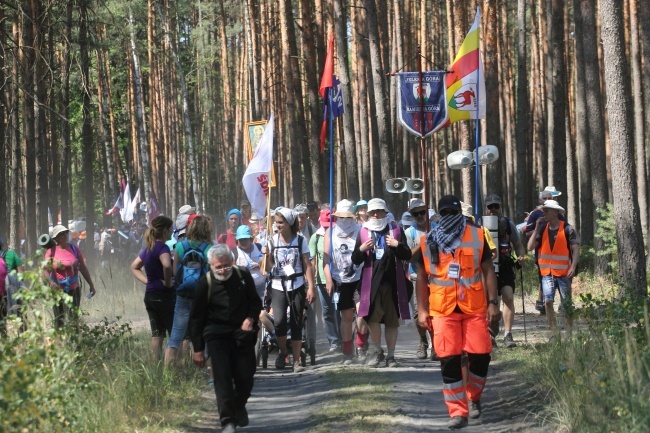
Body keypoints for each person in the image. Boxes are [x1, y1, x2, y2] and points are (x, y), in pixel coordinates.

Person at [414, 195, 498, 429]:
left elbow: (488, 271)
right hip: (443, 309)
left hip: (474, 306)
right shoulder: (429, 240)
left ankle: (473, 396)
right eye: (445, 214)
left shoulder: (477, 235)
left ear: (460, 213)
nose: (449, 217)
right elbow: (421, 278)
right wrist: (422, 310)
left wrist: (493, 302)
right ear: (440, 215)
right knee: (449, 360)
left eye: (453, 213)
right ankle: (457, 412)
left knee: (481, 355)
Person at [189, 244, 262, 433]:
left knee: (246, 377)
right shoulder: (205, 283)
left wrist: (250, 318)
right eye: (218, 267)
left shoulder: (242, 276)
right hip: (216, 335)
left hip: (242, 333)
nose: (223, 270)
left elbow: (255, 302)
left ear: (232, 262)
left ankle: (239, 406)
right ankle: (228, 421)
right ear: (210, 266)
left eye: (226, 266)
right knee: (222, 379)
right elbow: (196, 319)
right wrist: (198, 349)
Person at [351, 198, 412, 368]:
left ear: (386, 211)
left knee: (392, 321)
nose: (376, 215)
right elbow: (355, 259)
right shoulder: (363, 231)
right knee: (372, 319)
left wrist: (397, 245)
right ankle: (378, 352)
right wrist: (362, 249)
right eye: (373, 212)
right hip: (370, 283)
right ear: (369, 214)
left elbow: (407, 254)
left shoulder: (396, 230)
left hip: (393, 282)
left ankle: (391, 356)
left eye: (379, 211)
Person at [262, 207, 316, 372]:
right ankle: (283, 352)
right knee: (278, 321)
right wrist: (267, 255)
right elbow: (267, 268)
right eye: (276, 222)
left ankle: (296, 361)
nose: (278, 225)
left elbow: (307, 265)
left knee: (297, 322)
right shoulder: (272, 241)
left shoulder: (300, 241)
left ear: (289, 223)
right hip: (278, 285)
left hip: (297, 284)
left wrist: (311, 287)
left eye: (281, 222)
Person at [527, 199, 580, 336]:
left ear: (555, 212)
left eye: (546, 210)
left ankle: (568, 333)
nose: (543, 213)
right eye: (543, 210)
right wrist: (537, 228)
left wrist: (573, 267)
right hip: (547, 273)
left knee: (567, 304)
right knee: (548, 301)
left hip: (564, 273)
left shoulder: (568, 228)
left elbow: (575, 249)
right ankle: (554, 333)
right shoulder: (543, 228)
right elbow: (530, 247)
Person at [164, 214, 212, 364]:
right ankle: (203, 371)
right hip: (203, 297)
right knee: (204, 333)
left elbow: (174, 270)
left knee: (175, 337)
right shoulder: (209, 249)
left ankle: (167, 374)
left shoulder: (179, 246)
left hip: (183, 294)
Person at [323, 200, 363, 364]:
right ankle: (347, 351)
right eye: (342, 217)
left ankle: (361, 346)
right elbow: (325, 259)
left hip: (360, 277)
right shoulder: (330, 233)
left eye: (348, 217)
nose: (345, 220)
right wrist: (328, 279)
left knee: (362, 313)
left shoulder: (361, 230)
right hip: (340, 279)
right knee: (346, 316)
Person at [130, 216, 176, 359]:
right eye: (170, 229)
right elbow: (167, 265)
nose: (172, 232)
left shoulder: (148, 248)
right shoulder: (163, 247)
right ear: (165, 231)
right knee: (174, 334)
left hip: (150, 296)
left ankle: (154, 367)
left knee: (157, 335)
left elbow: (134, 266)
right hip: (164, 296)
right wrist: (168, 282)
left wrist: (148, 281)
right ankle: (173, 369)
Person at [484, 194, 526, 348]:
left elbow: (518, 244)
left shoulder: (508, 224)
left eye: (496, 206)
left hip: (506, 266)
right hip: (487, 268)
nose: (493, 209)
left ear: (501, 206)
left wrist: (521, 255)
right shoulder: (481, 225)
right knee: (488, 302)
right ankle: (489, 335)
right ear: (486, 208)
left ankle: (508, 334)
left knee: (508, 296)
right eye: (490, 206)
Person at [44, 225, 97, 328]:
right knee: (59, 319)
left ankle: (74, 341)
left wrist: (91, 285)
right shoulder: (51, 252)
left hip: (74, 289)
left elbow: (83, 268)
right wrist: (51, 282)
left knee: (74, 318)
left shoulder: (74, 249)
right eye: (61, 234)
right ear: (55, 238)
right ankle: (61, 341)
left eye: (65, 233)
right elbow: (45, 271)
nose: (64, 235)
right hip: (58, 290)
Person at [524, 187, 565, 314]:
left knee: (560, 283)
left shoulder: (561, 218)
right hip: (542, 255)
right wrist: (538, 231)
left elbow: (567, 237)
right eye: (545, 198)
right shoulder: (535, 215)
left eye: (550, 198)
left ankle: (562, 305)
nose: (547, 200)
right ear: (540, 200)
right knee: (544, 278)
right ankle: (542, 302)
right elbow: (527, 233)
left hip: (561, 261)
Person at [404, 199, 435, 361]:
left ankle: (435, 344)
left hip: (438, 277)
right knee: (419, 314)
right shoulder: (410, 233)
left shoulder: (438, 228)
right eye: (415, 214)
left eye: (422, 212)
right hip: (418, 277)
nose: (420, 216)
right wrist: (423, 242)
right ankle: (423, 341)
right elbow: (408, 257)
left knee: (436, 311)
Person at [309, 208, 342, 352]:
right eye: (325, 224)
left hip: (339, 279)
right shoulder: (315, 237)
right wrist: (310, 280)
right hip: (322, 281)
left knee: (339, 311)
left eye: (330, 224)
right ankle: (333, 341)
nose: (327, 227)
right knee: (327, 312)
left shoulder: (339, 235)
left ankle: (344, 338)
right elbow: (312, 261)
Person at [232, 225, 265, 300]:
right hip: (244, 289)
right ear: (237, 240)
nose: (243, 242)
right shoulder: (234, 253)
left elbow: (265, 265)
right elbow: (234, 272)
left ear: (250, 239)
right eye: (241, 240)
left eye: (245, 239)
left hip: (261, 288)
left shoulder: (259, 247)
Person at [0, 235, 24, 333]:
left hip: (1, 287)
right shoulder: (12, 254)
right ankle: (22, 332)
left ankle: (4, 336)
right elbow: (21, 273)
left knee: (2, 314)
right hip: (13, 286)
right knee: (19, 310)